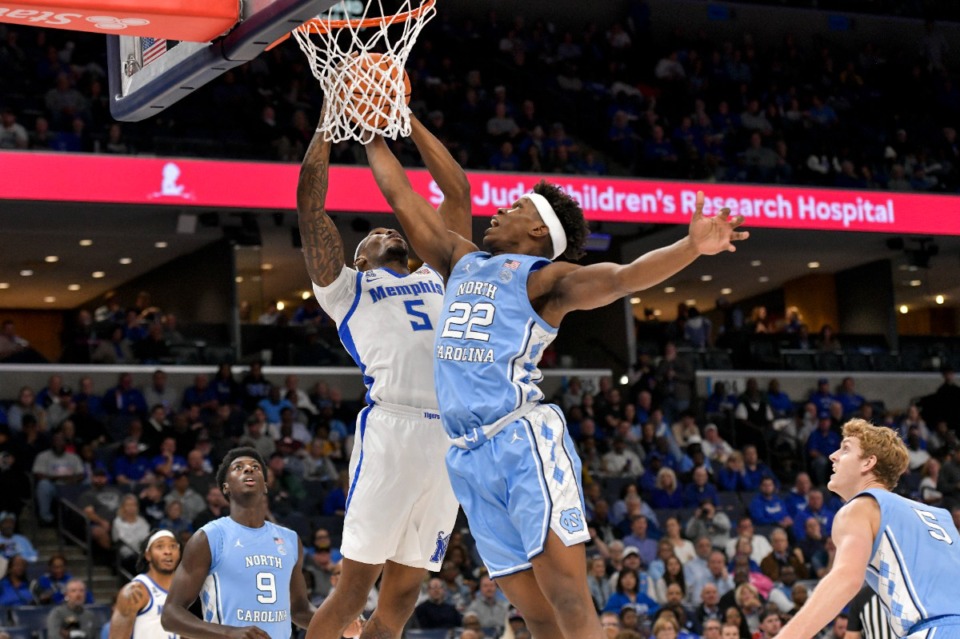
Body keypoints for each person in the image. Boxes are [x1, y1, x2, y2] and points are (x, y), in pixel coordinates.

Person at [367, 125, 747, 638]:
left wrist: (690, 247)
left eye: (516, 208)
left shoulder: (544, 280)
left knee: (566, 592)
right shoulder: (461, 259)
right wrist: (374, 135)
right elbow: (401, 196)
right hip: (465, 454)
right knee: (536, 611)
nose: (499, 212)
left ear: (539, 232)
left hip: (520, 439)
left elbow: (623, 277)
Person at [300, 105, 470, 639]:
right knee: (353, 591)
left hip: (451, 435)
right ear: (359, 257)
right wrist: (330, 127)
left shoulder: (442, 270)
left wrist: (404, 118)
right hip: (393, 429)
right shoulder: (346, 289)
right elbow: (311, 209)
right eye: (373, 233)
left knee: (401, 596)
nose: (386, 230)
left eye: (389, 228)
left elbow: (458, 194)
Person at [777, 419, 960, 639]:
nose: (833, 455)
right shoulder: (939, 516)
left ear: (868, 463)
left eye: (845, 449)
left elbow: (846, 579)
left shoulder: (861, 506)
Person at [161, 447, 318, 639]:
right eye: (238, 467)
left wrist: (339, 620)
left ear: (266, 486)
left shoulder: (290, 540)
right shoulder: (208, 537)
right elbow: (170, 614)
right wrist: (229, 633)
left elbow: (300, 610)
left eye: (255, 467)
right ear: (226, 486)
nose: (248, 469)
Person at [109, 530, 181, 639]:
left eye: (172, 546)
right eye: (160, 546)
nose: (168, 551)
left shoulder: (182, 592)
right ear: (148, 555)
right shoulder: (137, 591)